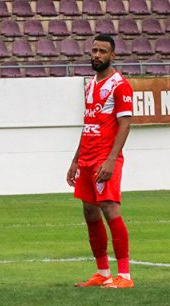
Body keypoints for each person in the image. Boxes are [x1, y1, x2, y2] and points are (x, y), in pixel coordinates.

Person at [67, 34, 134, 289]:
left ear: (112, 55)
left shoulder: (120, 85)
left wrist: (111, 159)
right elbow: (88, 124)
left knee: (109, 208)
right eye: (94, 50)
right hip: (86, 157)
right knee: (89, 211)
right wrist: (75, 160)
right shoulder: (90, 85)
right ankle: (103, 272)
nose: (97, 55)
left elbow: (125, 125)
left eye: (102, 51)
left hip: (105, 157)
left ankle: (125, 276)